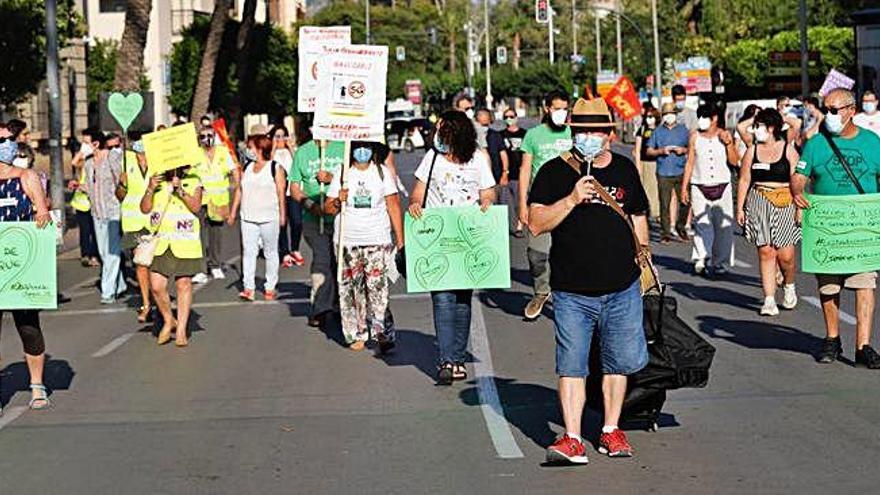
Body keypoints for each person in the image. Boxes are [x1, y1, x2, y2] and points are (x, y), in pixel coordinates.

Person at [528, 97, 650, 464]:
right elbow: (535, 222)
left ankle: (611, 430)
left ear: (609, 135)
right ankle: (573, 437)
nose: (589, 137)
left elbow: (639, 214)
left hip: (622, 285)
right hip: (571, 290)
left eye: (596, 131)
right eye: (581, 131)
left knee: (618, 362)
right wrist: (570, 199)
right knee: (572, 364)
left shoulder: (626, 170)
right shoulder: (553, 172)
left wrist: (644, 255)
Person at [792, 88, 880, 368]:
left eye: (834, 109)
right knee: (829, 285)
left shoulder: (872, 143)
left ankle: (863, 345)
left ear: (851, 111)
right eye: (825, 108)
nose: (828, 114)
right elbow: (799, 175)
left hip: (862, 227)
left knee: (865, 284)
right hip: (826, 226)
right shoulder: (817, 144)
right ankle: (832, 337)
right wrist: (797, 191)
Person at [409, 110, 495, 385]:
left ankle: (458, 357)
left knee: (461, 300)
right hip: (438, 237)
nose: (438, 135)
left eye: (443, 130)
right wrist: (414, 204)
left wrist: (487, 202)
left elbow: (488, 190)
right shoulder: (432, 158)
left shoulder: (478, 159)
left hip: (467, 236)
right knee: (443, 298)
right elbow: (419, 190)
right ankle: (446, 359)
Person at [325, 142, 404, 352]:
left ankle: (381, 332)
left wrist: (400, 240)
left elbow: (393, 205)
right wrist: (337, 201)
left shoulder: (382, 173)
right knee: (351, 290)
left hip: (377, 238)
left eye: (366, 146)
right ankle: (356, 333)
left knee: (378, 288)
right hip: (347, 240)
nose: (362, 151)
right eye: (358, 146)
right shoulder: (342, 172)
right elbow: (328, 207)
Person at [0, 131, 52, 411]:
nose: (5, 146)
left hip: (21, 263)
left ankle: (36, 383)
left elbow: (41, 213)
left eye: (7, 140)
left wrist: (41, 213)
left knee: (28, 327)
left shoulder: (26, 177)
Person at [737, 109, 801, 316]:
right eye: (755, 126)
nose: (756, 130)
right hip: (759, 199)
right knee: (766, 251)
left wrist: (799, 208)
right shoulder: (751, 151)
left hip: (785, 201)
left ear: (771, 128)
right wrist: (740, 208)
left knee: (786, 255)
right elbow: (745, 179)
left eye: (760, 126)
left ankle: (789, 284)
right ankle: (769, 299)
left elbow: (797, 180)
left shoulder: (788, 150)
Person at [518, 90, 572, 320]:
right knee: (536, 254)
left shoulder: (575, 133)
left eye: (565, 108)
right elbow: (524, 171)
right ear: (547, 109)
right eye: (556, 108)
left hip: (571, 202)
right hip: (541, 203)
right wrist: (522, 205)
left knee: (569, 252)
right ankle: (541, 291)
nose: (561, 113)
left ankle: (568, 298)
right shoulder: (533, 135)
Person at [289, 120, 346, 328]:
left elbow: (354, 177)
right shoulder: (303, 152)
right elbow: (294, 187)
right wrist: (310, 204)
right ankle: (321, 307)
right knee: (322, 260)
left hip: (342, 218)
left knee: (341, 262)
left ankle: (342, 305)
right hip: (314, 220)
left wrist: (332, 177)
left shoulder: (343, 148)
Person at [140, 165, 204, 347]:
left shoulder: (193, 180)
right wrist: (151, 188)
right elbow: (144, 209)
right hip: (161, 243)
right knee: (157, 286)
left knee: (183, 284)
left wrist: (180, 190)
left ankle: (182, 330)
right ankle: (169, 320)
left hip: (185, 241)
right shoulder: (156, 180)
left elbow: (196, 207)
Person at [228, 127, 287, 301]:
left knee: (270, 252)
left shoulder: (275, 168)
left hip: (269, 217)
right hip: (248, 217)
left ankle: (270, 286)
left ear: (260, 148)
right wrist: (233, 212)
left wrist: (283, 215)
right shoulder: (246, 167)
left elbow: (281, 193)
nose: (249, 150)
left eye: (251, 147)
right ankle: (249, 288)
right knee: (249, 252)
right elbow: (240, 190)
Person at [681, 104, 739, 275]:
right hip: (699, 185)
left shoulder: (725, 135)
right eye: (700, 117)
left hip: (723, 185)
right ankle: (701, 257)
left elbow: (735, 161)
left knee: (724, 226)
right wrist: (684, 187)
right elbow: (690, 162)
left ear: (714, 119)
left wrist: (728, 144)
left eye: (705, 117)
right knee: (701, 223)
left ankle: (720, 262)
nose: (701, 121)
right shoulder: (694, 137)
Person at [76, 132, 126, 304]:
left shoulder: (112, 158)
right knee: (104, 253)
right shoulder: (89, 163)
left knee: (112, 251)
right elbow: (91, 187)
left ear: (96, 143)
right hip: (97, 212)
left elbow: (121, 181)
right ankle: (120, 285)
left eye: (86, 143)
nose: (84, 146)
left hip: (113, 211)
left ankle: (108, 291)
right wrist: (80, 186)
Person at [193, 124, 241, 283]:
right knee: (198, 234)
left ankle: (215, 265)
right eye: (203, 136)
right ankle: (200, 269)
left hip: (218, 200)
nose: (207, 139)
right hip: (200, 199)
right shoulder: (194, 154)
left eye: (210, 136)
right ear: (198, 139)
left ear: (214, 137)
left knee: (216, 234)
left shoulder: (222, 152)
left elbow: (233, 169)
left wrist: (238, 185)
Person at [117, 138, 153, 323]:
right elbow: (119, 196)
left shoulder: (158, 163)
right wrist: (122, 184)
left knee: (154, 265)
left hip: (154, 221)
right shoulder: (126, 162)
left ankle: (156, 295)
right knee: (140, 264)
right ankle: (146, 303)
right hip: (133, 223)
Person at [647, 102, 691, 243]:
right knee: (664, 204)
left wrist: (682, 150)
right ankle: (665, 233)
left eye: (671, 114)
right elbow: (649, 150)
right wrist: (661, 151)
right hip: (663, 172)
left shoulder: (684, 130)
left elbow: (692, 148)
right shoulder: (658, 132)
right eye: (666, 114)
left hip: (681, 170)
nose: (669, 117)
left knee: (685, 201)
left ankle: (681, 227)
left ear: (676, 115)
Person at [270, 124, 305, 268]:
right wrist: (273, 147)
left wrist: (290, 147)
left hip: (293, 192)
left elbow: (299, 164)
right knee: (281, 224)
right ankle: (284, 252)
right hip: (277, 194)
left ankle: (295, 248)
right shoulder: (271, 153)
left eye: (283, 136)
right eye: (277, 136)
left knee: (297, 221)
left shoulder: (292, 151)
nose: (280, 140)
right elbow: (268, 164)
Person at [69, 128, 100, 267]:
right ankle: (85, 255)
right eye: (84, 142)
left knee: (95, 230)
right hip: (82, 202)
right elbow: (74, 162)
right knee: (85, 230)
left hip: (95, 201)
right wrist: (83, 151)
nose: (85, 145)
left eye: (88, 142)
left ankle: (94, 255)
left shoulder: (99, 160)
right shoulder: (84, 162)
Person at [501, 109, 527, 236]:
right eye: (506, 116)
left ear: (516, 117)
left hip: (519, 172)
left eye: (512, 116)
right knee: (505, 203)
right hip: (505, 174)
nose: (509, 118)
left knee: (518, 201)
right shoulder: (501, 134)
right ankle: (504, 226)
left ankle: (519, 226)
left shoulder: (524, 133)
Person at [633, 105, 662, 220]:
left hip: (659, 162)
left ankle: (657, 212)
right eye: (647, 116)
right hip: (646, 163)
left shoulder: (660, 130)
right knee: (647, 188)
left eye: (651, 116)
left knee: (657, 188)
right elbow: (638, 149)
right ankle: (650, 211)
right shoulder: (642, 130)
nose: (649, 119)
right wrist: (638, 166)